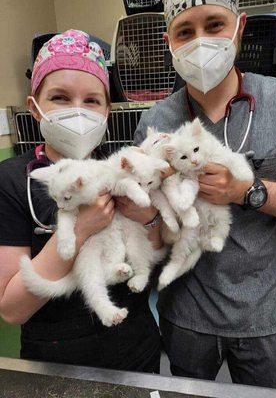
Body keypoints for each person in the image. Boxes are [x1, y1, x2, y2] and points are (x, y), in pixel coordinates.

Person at [133, 0, 276, 390]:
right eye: (185, 32)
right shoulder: (156, 122)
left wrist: (248, 191)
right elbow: (149, 228)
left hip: (266, 315)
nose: (201, 42)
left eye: (214, 25)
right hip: (187, 317)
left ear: (240, 28)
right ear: (169, 42)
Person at [0, 29, 162, 372]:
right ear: (34, 107)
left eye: (92, 101)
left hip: (136, 348)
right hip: (56, 361)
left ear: (106, 111)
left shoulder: (122, 168)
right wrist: (81, 229)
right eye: (59, 97)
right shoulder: (13, 180)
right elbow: (12, 309)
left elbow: (152, 250)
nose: (78, 111)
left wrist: (149, 217)